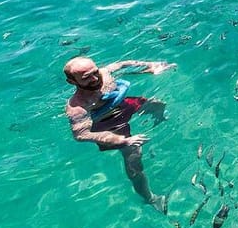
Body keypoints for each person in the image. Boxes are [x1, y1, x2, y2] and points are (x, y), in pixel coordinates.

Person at [63, 56, 174, 213]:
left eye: (95, 72)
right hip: (106, 123)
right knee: (134, 159)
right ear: (72, 82)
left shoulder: (104, 74)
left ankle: (159, 123)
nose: (95, 79)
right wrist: (122, 141)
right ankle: (150, 198)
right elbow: (81, 134)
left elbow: (124, 64)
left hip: (122, 105)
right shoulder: (77, 107)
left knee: (158, 105)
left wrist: (151, 67)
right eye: (87, 78)